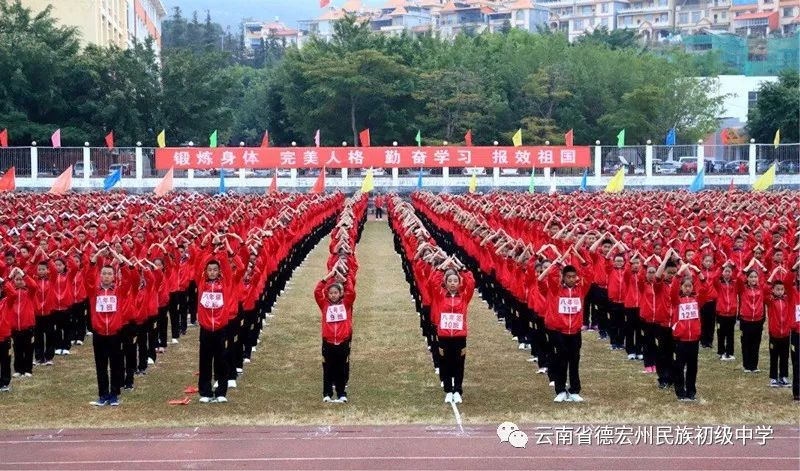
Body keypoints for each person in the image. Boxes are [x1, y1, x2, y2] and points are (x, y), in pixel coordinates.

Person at [86, 247, 134, 407]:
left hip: (114, 333)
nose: (106, 276)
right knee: (101, 365)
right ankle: (103, 395)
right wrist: (96, 257)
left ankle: (114, 395)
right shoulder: (94, 291)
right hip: (99, 334)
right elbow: (88, 278)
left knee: (115, 365)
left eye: (109, 274)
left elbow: (128, 278)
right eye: (104, 274)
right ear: (100, 276)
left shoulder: (118, 291)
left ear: (113, 277)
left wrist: (119, 259)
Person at [541, 252, 590, 403]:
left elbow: (589, 273)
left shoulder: (580, 290)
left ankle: (575, 390)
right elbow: (550, 276)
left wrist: (580, 259)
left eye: (573, 277)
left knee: (574, 361)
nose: (571, 279)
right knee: (560, 360)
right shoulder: (556, 290)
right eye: (568, 276)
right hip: (559, 332)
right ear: (563, 277)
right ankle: (560, 390)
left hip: (575, 332)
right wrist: (558, 262)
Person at [196, 238, 237, 404]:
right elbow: (200, 263)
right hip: (206, 329)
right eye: (209, 270)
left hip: (221, 329)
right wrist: (211, 248)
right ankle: (205, 392)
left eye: (215, 270)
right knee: (205, 361)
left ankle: (221, 391)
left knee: (221, 361)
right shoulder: (201, 283)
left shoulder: (225, 283)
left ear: (219, 272)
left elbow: (227, 268)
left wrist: (221, 250)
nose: (212, 272)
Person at [428, 258, 474, 404]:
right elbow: (432, 282)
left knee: (459, 363)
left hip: (460, 337)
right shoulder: (440, 296)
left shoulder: (464, 296)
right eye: (450, 281)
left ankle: (458, 390)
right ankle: (448, 390)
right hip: (444, 336)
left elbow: (471, 283)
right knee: (445, 362)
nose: (453, 283)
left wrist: (462, 269)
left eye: (455, 280)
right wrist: (441, 268)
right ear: (446, 282)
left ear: (459, 282)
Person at [314, 261, 355, 403]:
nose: (333, 295)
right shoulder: (324, 304)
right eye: (330, 293)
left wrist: (343, 279)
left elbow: (351, 291)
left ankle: (342, 393)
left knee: (341, 368)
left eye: (336, 293)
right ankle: (327, 393)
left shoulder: (346, 304)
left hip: (342, 341)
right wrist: (329, 276)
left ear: (340, 293)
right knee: (328, 368)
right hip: (328, 342)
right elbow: (317, 291)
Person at [670, 265, 706, 401]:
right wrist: (679, 274)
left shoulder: (697, 300)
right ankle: (680, 392)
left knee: (692, 367)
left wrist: (698, 272)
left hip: (694, 340)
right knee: (679, 366)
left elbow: (705, 289)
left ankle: (691, 392)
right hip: (681, 340)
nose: (687, 288)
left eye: (690, 286)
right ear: (681, 287)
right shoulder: (676, 301)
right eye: (685, 286)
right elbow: (672, 290)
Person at [765, 274, 791, 388]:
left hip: (785, 333)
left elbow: (790, 284)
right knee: (774, 356)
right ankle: (773, 378)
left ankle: (784, 376)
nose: (780, 291)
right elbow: (765, 288)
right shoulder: (770, 300)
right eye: (777, 289)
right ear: (773, 290)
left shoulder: (787, 299)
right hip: (774, 334)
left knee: (785, 356)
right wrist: (773, 273)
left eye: (781, 289)